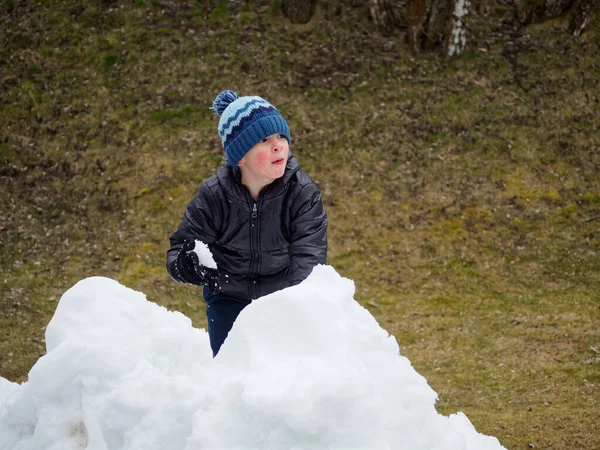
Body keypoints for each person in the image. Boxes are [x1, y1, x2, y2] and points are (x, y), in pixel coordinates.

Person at [166, 90, 328, 356]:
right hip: (228, 297)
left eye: (281, 137)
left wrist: (298, 307)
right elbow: (178, 251)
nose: (278, 145)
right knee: (232, 373)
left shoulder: (301, 193)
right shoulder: (214, 196)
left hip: (281, 297)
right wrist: (187, 265)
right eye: (264, 140)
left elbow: (309, 257)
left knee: (284, 372)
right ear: (240, 157)